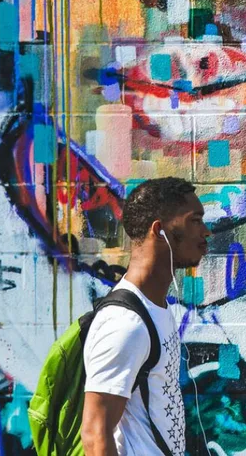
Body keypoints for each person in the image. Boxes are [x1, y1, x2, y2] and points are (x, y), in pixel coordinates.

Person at [80, 177, 212, 456]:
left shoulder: (155, 308)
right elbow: (94, 434)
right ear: (159, 230)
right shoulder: (125, 324)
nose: (207, 231)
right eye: (195, 220)